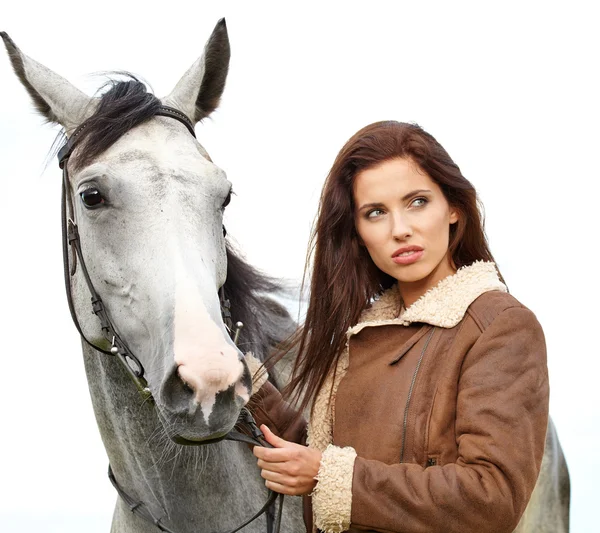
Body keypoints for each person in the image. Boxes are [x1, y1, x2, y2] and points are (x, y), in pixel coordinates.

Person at [244, 120, 549, 533]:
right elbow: (328, 462)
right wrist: (247, 388)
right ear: (358, 233)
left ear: (454, 208)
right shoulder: (361, 337)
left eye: (418, 202)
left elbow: (490, 498)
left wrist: (327, 477)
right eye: (375, 213)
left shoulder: (500, 327)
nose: (400, 229)